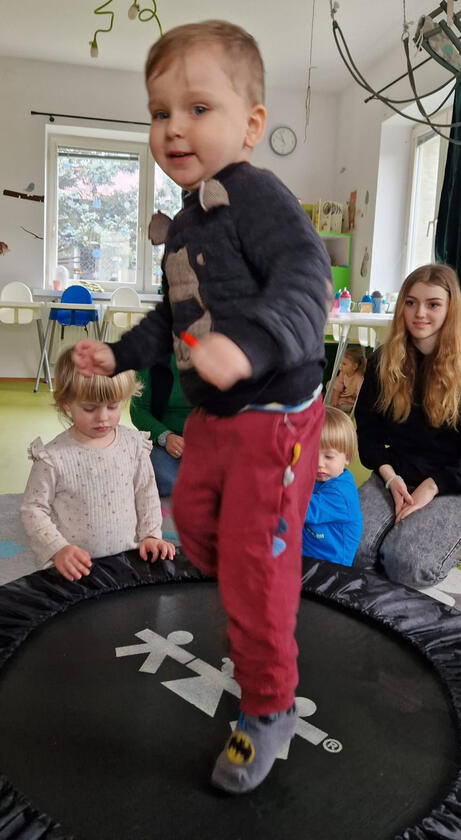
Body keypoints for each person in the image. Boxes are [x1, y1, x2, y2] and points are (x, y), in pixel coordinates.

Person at [72, 20, 330, 794]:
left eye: (196, 109)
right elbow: (172, 318)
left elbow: (306, 277)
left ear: (250, 124)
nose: (173, 127)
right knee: (194, 521)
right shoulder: (186, 219)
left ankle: (269, 706)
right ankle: (251, 580)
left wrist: (249, 347)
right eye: (159, 112)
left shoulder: (257, 198)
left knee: (252, 572)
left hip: (275, 417)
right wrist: (120, 354)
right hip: (215, 415)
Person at [21, 347, 175, 582]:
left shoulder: (134, 444)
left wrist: (151, 535)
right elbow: (33, 509)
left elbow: (146, 492)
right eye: (90, 408)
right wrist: (57, 548)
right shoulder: (52, 458)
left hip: (127, 557)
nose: (103, 417)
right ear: (66, 403)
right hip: (74, 567)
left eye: (113, 406)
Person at [354, 263, 461, 588]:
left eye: (433, 304)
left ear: (450, 308)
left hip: (452, 484)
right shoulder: (382, 361)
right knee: (350, 546)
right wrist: (390, 478)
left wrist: (432, 486)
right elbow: (368, 433)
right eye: (411, 302)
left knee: (406, 562)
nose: (420, 313)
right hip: (396, 474)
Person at [302, 406, 362, 567]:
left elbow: (301, 509)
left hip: (328, 568)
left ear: (348, 457)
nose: (320, 464)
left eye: (329, 456)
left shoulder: (340, 494)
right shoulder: (317, 476)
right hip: (304, 551)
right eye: (312, 454)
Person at [130, 355, 191, 496]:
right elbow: (138, 410)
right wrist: (164, 436)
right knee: (163, 480)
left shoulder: (220, 354)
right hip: (165, 436)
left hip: (209, 436)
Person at [328, 345, 366, 412]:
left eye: (344, 364)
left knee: (344, 405)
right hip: (345, 395)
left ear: (354, 366)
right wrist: (334, 399)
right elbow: (337, 386)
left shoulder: (359, 378)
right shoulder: (343, 373)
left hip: (354, 399)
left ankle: (351, 409)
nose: (340, 366)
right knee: (331, 384)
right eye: (340, 363)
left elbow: (361, 396)